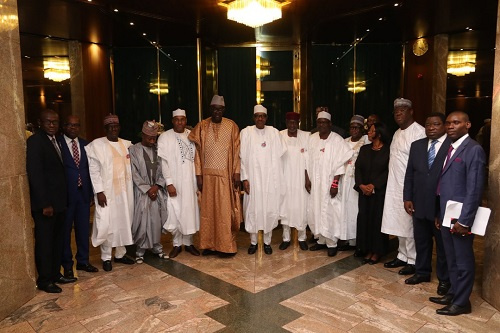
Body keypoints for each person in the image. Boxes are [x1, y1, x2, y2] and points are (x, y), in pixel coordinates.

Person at [429, 111, 486, 316]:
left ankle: (462, 303)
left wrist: (465, 220)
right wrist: (439, 213)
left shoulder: (474, 149)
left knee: (463, 260)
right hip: (446, 214)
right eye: (448, 123)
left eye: (456, 122)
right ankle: (453, 293)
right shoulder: (449, 148)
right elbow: (442, 184)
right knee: (450, 257)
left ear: (468, 125)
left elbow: (475, 189)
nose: (450, 126)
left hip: (461, 217)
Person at [403, 113, 451, 295]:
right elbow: (409, 174)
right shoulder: (417, 146)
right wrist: (407, 197)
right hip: (419, 202)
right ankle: (422, 272)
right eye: (428, 124)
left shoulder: (451, 146)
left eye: (436, 124)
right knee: (421, 241)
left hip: (441, 205)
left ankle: (444, 279)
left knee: (442, 245)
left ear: (444, 126)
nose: (431, 127)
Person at [188, 95, 242, 257]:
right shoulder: (202, 126)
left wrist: (236, 171)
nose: (216, 112)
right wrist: (198, 174)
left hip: (225, 176)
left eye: (219, 109)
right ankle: (209, 245)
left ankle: (226, 246)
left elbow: (237, 151)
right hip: (207, 177)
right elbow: (197, 152)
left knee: (224, 212)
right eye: (214, 109)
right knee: (208, 212)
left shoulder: (231, 126)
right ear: (210, 109)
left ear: (223, 110)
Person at [27, 110, 73, 293]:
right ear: (40, 122)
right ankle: (45, 280)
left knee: (58, 241)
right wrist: (44, 203)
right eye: (48, 122)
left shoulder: (57, 141)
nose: (52, 125)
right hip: (46, 206)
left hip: (60, 203)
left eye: (55, 122)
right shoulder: (35, 142)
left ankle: (55, 274)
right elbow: (35, 175)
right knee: (45, 243)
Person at [85, 114, 135, 271]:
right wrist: (99, 191)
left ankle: (120, 254)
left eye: (116, 127)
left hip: (125, 192)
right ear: (105, 129)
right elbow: (94, 171)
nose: (114, 129)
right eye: (110, 127)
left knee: (123, 222)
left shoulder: (126, 145)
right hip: (107, 193)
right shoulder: (97, 146)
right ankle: (106, 257)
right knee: (107, 224)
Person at [382, 98, 425, 275]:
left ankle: (413, 259)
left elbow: (420, 165)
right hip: (394, 185)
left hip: (410, 186)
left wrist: (412, 191)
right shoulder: (397, 133)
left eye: (402, 110)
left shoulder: (419, 132)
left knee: (409, 224)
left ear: (411, 111)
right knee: (398, 221)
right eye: (396, 111)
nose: (399, 114)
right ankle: (402, 254)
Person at [240, 105, 286, 255]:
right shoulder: (246, 133)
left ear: (266, 118)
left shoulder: (274, 133)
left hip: (269, 181)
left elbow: (280, 157)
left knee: (268, 209)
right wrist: (244, 178)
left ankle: (267, 242)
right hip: (252, 180)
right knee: (253, 210)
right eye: (257, 116)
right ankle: (253, 242)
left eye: (263, 116)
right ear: (253, 118)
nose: (260, 119)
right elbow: (241, 158)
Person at [306, 111, 352, 257]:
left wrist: (335, 183)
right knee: (316, 209)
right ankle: (320, 240)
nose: (321, 125)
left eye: (324, 122)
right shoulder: (311, 139)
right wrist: (307, 179)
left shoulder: (337, 140)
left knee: (331, 211)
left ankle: (331, 243)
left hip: (330, 183)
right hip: (315, 182)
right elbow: (306, 161)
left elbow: (341, 162)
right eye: (319, 122)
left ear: (330, 124)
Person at [57, 115, 98, 278]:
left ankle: (83, 261)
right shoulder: (58, 143)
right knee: (65, 231)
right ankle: (67, 265)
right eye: (70, 125)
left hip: (83, 194)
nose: (73, 128)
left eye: (76, 125)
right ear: (64, 126)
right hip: (65, 196)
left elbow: (91, 170)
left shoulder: (86, 144)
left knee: (82, 229)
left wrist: (92, 193)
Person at [158, 109, 200, 258]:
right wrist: (169, 183)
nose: (180, 122)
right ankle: (176, 244)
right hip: (174, 181)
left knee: (190, 211)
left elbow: (197, 159)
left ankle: (188, 243)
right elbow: (163, 163)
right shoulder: (165, 137)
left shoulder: (192, 135)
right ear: (173, 121)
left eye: (182, 119)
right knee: (175, 212)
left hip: (190, 182)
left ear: (186, 120)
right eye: (177, 119)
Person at [129, 120, 169, 263]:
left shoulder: (159, 149)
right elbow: (133, 173)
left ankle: (157, 247)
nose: (152, 141)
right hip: (142, 192)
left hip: (156, 190)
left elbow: (164, 169)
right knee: (142, 221)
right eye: (150, 138)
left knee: (156, 220)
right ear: (143, 135)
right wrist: (147, 189)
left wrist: (157, 186)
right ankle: (140, 251)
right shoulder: (133, 150)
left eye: (154, 138)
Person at [354, 122, 390, 264]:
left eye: (371, 131)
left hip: (379, 193)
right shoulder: (364, 149)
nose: (368, 133)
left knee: (377, 221)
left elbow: (387, 171)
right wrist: (361, 185)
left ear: (379, 134)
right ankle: (366, 248)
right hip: (364, 193)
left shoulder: (388, 150)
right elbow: (358, 168)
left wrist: (374, 186)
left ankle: (378, 251)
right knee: (364, 220)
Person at [338, 115, 369, 252]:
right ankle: (345, 238)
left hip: (357, 181)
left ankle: (357, 240)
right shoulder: (343, 142)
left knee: (355, 210)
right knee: (343, 210)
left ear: (362, 129)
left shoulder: (366, 141)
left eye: (357, 127)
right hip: (344, 181)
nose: (354, 130)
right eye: (352, 127)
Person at [279, 112, 310, 251]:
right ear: (286, 122)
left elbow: (308, 160)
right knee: (285, 207)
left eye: (294, 123)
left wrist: (307, 178)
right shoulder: (279, 135)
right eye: (289, 122)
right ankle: (286, 238)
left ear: (298, 123)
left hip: (301, 178)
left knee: (301, 207)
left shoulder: (306, 136)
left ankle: (302, 238)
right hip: (285, 178)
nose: (292, 125)